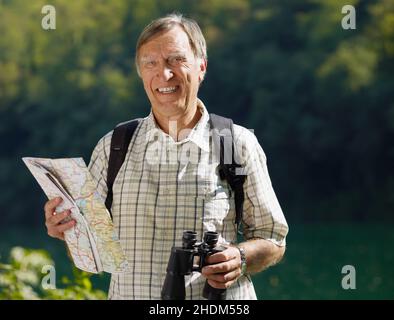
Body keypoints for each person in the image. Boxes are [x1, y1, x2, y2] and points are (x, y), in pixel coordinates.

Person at [44, 13, 288, 300]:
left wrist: (241, 257)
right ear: (141, 74)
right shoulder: (113, 147)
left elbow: (273, 239)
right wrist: (68, 232)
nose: (164, 74)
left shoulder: (237, 143)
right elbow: (90, 256)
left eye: (176, 60)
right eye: (151, 63)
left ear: (201, 67)